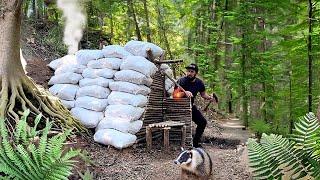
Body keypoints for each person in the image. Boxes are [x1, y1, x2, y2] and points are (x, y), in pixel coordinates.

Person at [176, 63, 217, 148]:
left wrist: (210, 98)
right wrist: (184, 92)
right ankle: (181, 143)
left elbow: (203, 94)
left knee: (202, 122)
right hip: (179, 107)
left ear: (196, 73)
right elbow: (175, 95)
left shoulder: (199, 83)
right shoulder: (181, 81)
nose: (189, 73)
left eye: (192, 71)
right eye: (188, 71)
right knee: (183, 125)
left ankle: (195, 143)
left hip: (190, 106)